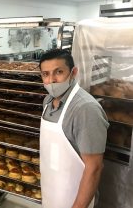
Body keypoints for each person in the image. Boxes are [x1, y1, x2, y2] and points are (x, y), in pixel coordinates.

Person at [39, 49, 109, 208]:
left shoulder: (85, 109)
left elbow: (94, 168)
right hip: (51, 193)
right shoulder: (47, 102)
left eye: (59, 72)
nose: (52, 80)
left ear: (73, 72)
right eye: (45, 74)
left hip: (74, 200)